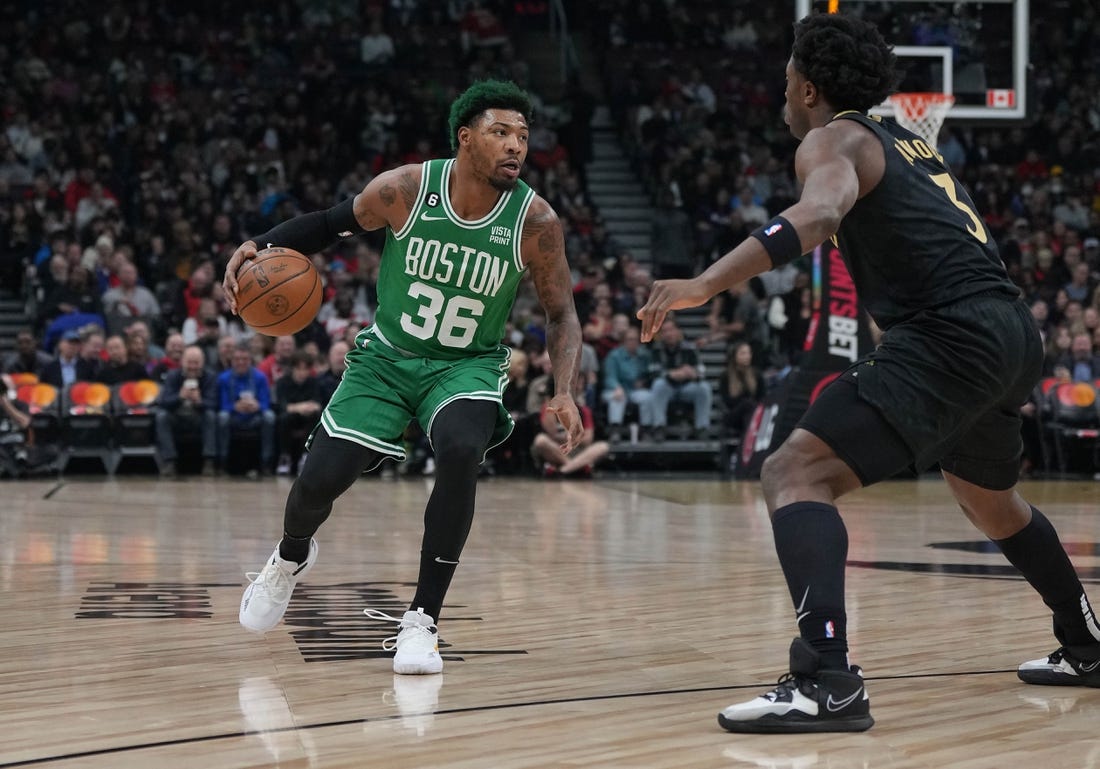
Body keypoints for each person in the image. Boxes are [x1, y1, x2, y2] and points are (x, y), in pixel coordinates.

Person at [637, 13, 1100, 733]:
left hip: (950, 333)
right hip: (1011, 328)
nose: (781, 93)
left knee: (795, 472)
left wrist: (703, 283)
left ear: (810, 87)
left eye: (786, 80)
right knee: (991, 502)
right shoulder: (908, 140)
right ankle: (1087, 644)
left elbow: (818, 215)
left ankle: (828, 679)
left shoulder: (833, 137)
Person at [223, 79, 582, 675]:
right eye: (500, 132)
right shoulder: (407, 189)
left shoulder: (535, 221)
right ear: (466, 138)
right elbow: (327, 223)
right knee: (318, 484)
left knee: (464, 448)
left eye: (523, 135)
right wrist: (260, 244)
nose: (516, 145)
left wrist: (564, 388)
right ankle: (289, 558)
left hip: (465, 364)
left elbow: (562, 312)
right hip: (386, 358)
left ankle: (423, 620)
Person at [155, 345, 218, 478]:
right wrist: (179, 397)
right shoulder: (173, 376)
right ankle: (169, 462)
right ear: (182, 362)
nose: (193, 366)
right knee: (161, 416)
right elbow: (163, 402)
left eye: (196, 363)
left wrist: (200, 401)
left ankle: (209, 462)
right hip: (177, 417)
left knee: (210, 416)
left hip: (199, 418)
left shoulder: (210, 377)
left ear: (202, 363)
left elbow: (214, 404)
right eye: (190, 362)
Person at [216, 344, 276, 477]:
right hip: (234, 417)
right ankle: (222, 461)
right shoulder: (223, 378)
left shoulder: (260, 377)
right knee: (222, 417)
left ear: (250, 360)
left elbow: (266, 403)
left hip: (255, 416)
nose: (241, 362)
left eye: (244, 359)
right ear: (232, 360)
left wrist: (257, 406)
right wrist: (235, 407)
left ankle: (266, 461)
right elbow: (222, 404)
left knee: (269, 417)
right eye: (237, 359)